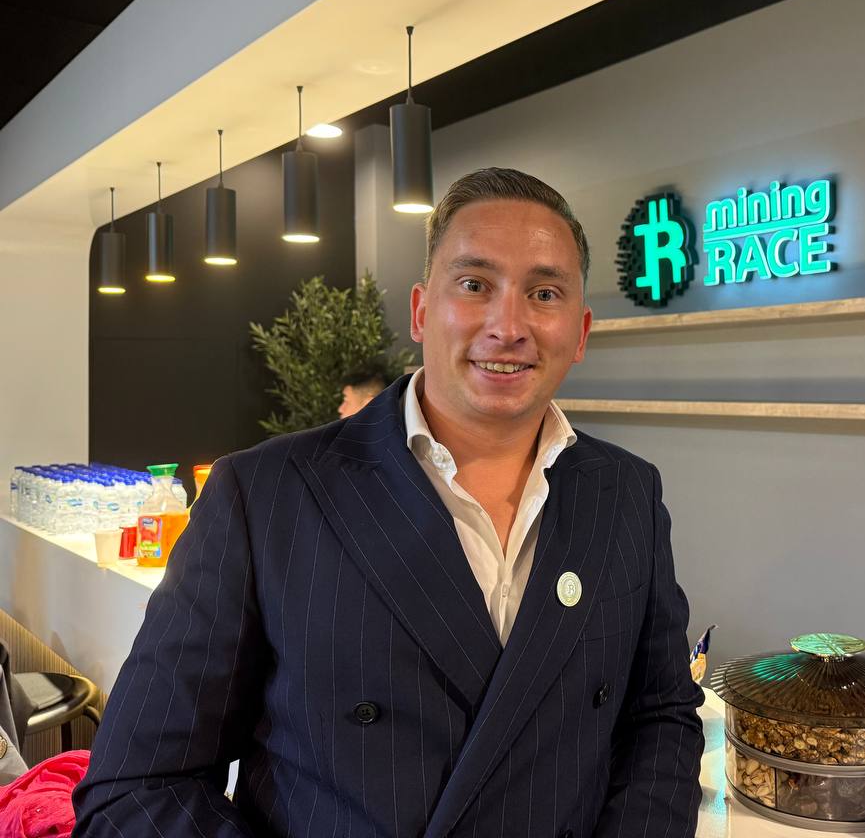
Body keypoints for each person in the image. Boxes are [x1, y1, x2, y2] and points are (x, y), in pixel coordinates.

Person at [72, 167, 705, 837]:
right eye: (475, 285)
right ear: (421, 311)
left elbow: (660, 715)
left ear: (579, 332)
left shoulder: (627, 493)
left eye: (543, 293)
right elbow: (137, 789)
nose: (508, 325)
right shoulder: (264, 496)